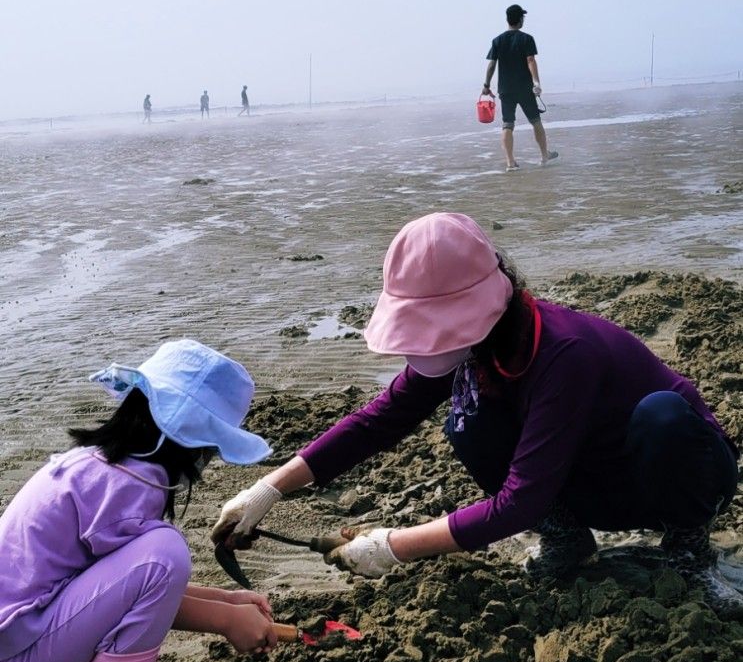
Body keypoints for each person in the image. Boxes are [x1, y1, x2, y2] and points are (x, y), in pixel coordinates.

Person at [212, 212, 741, 619]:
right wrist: (269, 490)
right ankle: (567, 538)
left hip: (678, 475)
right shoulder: (476, 349)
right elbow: (382, 417)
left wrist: (391, 547)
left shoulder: (564, 353)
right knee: (468, 424)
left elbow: (516, 503)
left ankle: (689, 548)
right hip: (593, 478)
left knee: (663, 417)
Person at [0, 339, 278, 662]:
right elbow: (151, 576)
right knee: (165, 551)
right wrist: (226, 622)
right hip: (26, 660)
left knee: (158, 558)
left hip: (20, 642)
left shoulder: (97, 466)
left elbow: (116, 586)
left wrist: (228, 601)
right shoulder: (131, 485)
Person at [482, 4, 558, 171]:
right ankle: (544, 156)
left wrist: (486, 85)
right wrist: (536, 83)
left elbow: (492, 65)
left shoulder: (497, 41)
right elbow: (530, 60)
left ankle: (510, 163)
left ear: (508, 20)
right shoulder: (527, 39)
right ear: (520, 19)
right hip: (524, 88)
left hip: (506, 89)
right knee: (536, 121)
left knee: (507, 124)